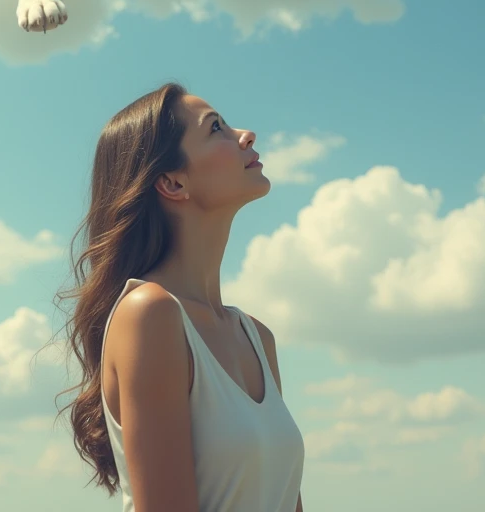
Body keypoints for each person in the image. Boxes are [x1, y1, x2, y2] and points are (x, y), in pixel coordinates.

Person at [56, 82, 304, 511]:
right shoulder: (148, 315)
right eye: (217, 128)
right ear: (172, 182)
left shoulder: (257, 337)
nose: (246, 135)